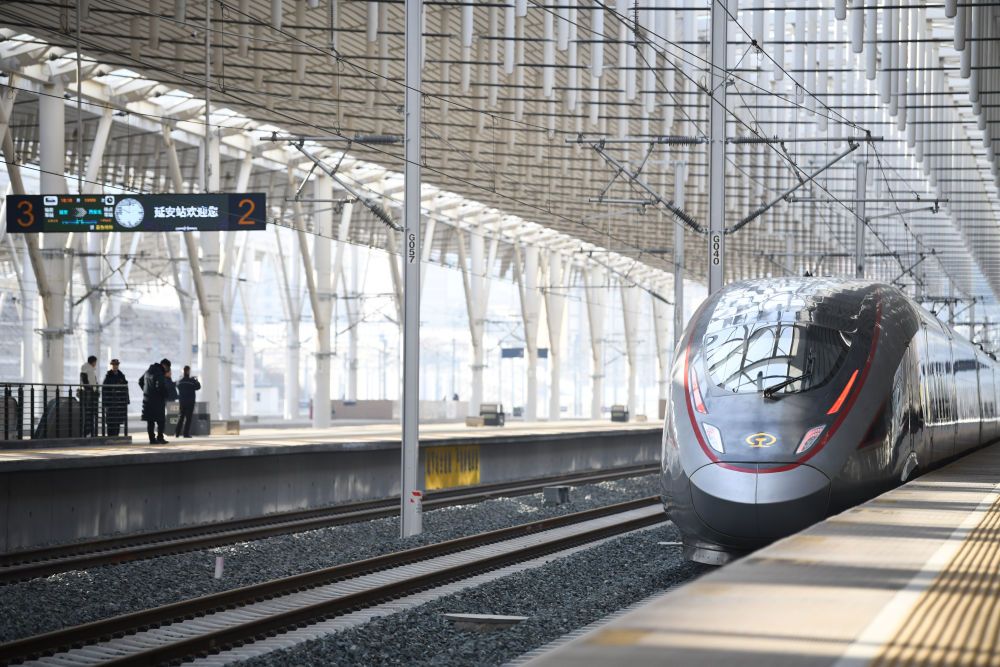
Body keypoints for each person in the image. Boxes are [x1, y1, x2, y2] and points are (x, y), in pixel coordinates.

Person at [139, 358, 173, 444]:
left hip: (147, 400)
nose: (168, 370)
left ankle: (152, 439)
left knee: (150, 421)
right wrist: (165, 394)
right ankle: (160, 438)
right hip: (157, 401)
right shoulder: (159, 373)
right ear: (165, 366)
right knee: (161, 420)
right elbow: (160, 386)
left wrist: (147, 391)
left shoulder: (148, 371)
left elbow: (140, 381)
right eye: (168, 368)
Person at [102, 359, 130, 437]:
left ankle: (116, 437)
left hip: (119, 403)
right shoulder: (108, 376)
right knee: (111, 422)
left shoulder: (121, 376)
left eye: (116, 365)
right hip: (111, 403)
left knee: (117, 421)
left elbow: (125, 389)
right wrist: (106, 401)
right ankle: (110, 437)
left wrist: (126, 400)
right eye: (113, 365)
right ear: (111, 366)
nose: (115, 366)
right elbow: (104, 390)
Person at [175, 366, 202, 438]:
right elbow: (198, 387)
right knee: (188, 418)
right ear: (188, 371)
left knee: (181, 417)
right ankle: (186, 434)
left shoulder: (180, 381)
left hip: (182, 401)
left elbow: (177, 386)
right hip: (190, 402)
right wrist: (196, 380)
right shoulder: (192, 381)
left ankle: (177, 433)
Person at [79, 355, 99, 436]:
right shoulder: (86, 368)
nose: (95, 364)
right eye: (95, 362)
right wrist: (90, 389)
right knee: (88, 413)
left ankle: (89, 431)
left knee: (90, 413)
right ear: (93, 362)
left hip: (90, 394)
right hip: (88, 394)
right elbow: (84, 380)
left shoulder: (89, 369)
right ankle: (86, 431)